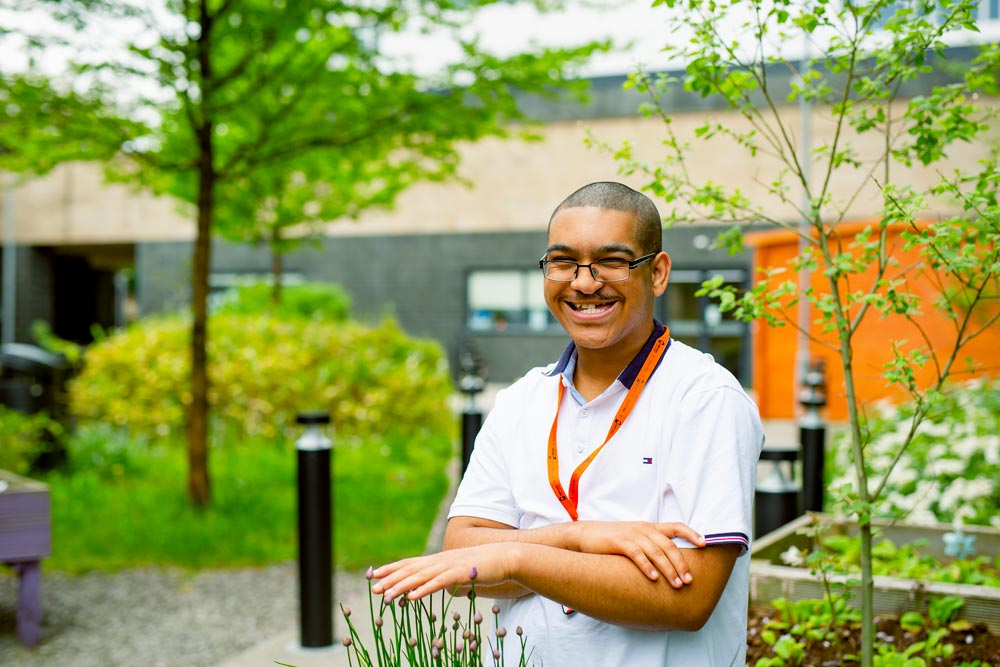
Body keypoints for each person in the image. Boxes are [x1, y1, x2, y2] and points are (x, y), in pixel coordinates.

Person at [372, 181, 765, 666]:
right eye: (563, 261)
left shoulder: (704, 399)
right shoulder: (520, 401)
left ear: (658, 273)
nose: (583, 282)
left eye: (611, 261)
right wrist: (578, 536)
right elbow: (462, 554)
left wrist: (515, 555)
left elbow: (686, 597)